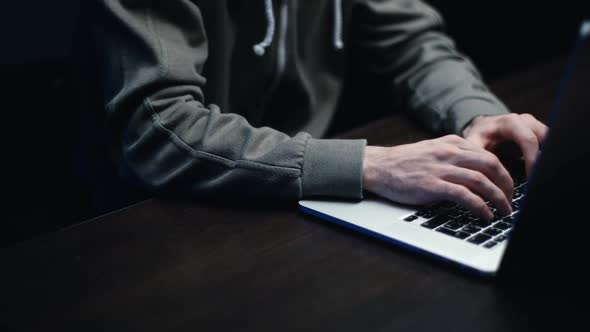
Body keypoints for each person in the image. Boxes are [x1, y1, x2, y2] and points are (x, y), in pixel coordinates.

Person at [80, 0, 547, 219]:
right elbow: (161, 128)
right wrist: (372, 164)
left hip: (303, 195)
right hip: (164, 216)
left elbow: (409, 40)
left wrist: (475, 114)